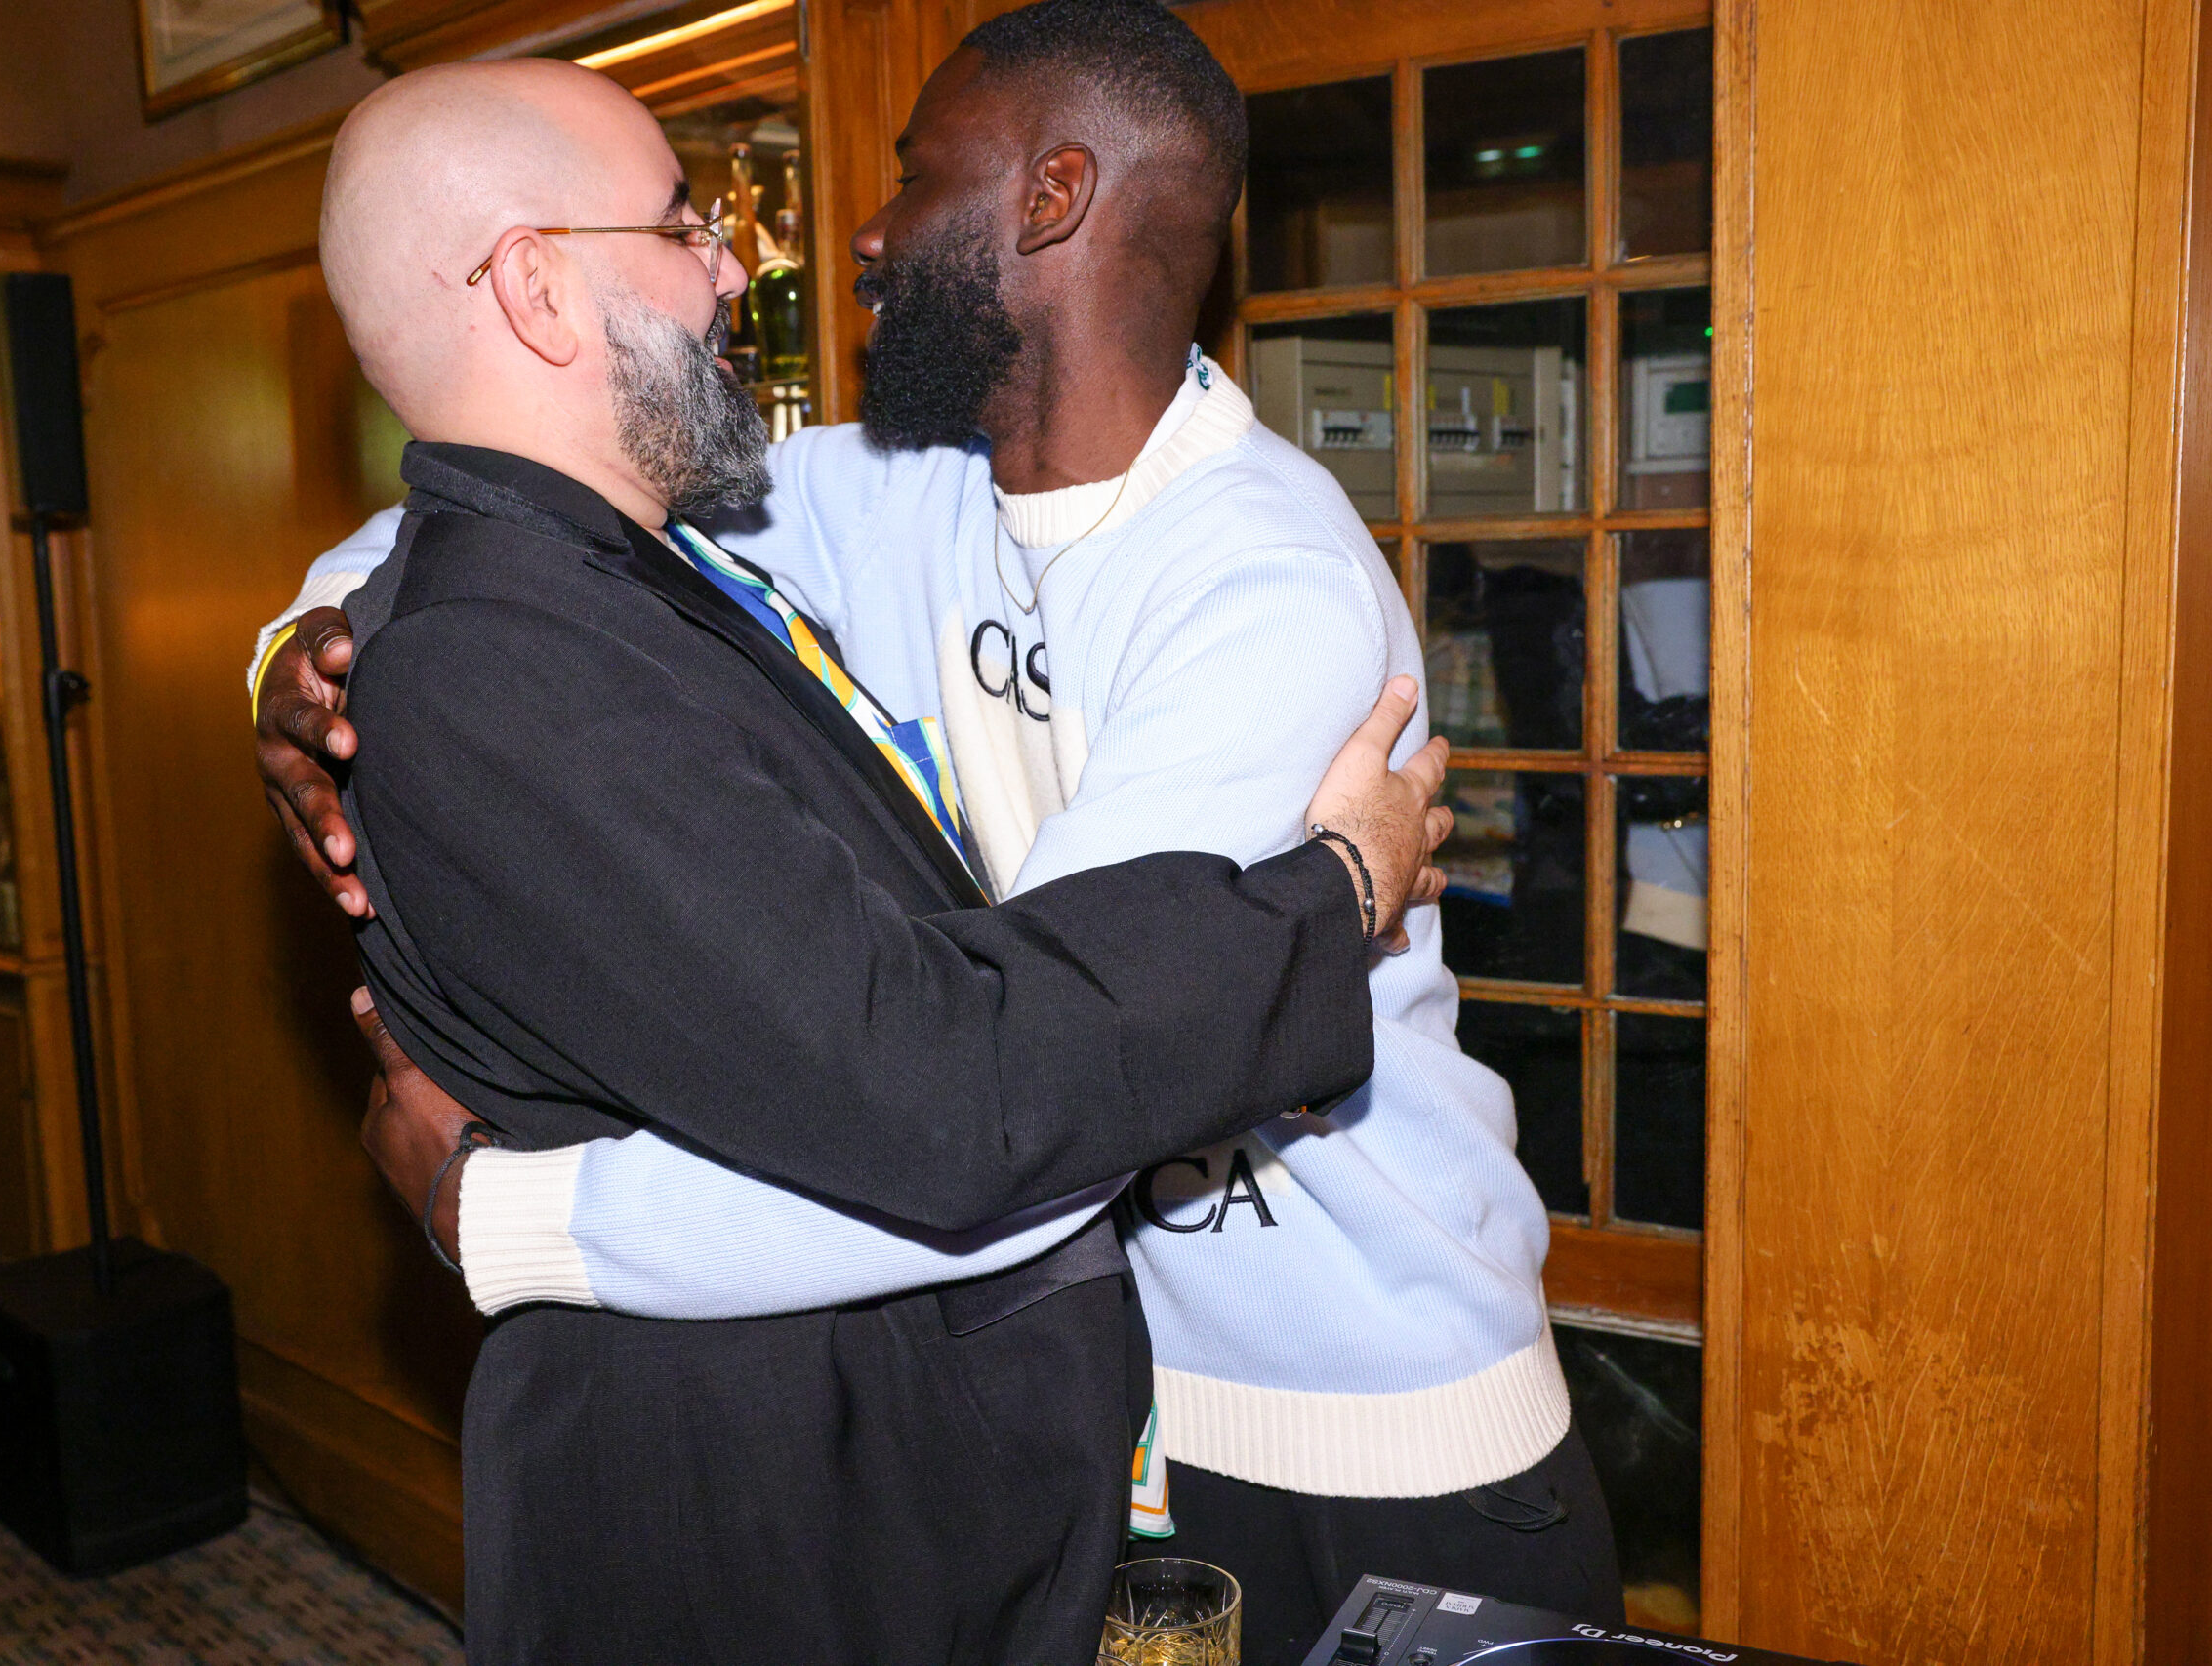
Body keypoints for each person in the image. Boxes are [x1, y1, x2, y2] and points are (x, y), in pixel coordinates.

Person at [260, 6, 1622, 1661]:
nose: (856, 231)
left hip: (1355, 1418)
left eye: (912, 176)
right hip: (1120, 1403)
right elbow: (520, 497)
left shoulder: (1264, 593)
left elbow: (1021, 1114)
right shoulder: (891, 493)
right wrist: (310, 656)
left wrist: (519, 1221)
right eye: (685, 225)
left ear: (1052, 197)